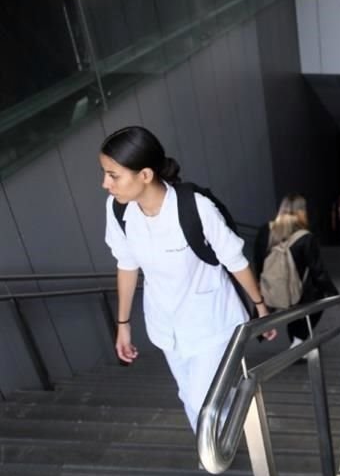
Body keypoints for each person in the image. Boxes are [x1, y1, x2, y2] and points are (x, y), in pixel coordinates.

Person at [101, 126, 277, 434]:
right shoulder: (118, 210)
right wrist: (123, 325)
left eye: (113, 175)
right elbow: (126, 264)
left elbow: (235, 260)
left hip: (212, 321)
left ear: (145, 174)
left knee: (200, 399)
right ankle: (211, 443)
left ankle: (215, 450)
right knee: (188, 394)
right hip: (165, 324)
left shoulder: (195, 208)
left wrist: (260, 306)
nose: (105, 184)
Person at [255, 193, 339, 346]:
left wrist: (259, 285)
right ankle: (298, 341)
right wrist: (332, 293)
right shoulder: (305, 237)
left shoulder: (265, 231)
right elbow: (317, 270)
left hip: (270, 288)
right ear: (302, 211)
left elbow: (258, 260)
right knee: (314, 302)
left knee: (291, 308)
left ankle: (264, 336)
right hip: (298, 290)